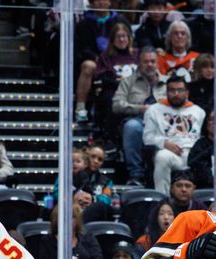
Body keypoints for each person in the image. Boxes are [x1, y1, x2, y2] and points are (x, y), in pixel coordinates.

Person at [113, 48, 166, 187]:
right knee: (132, 127)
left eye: (152, 61)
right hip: (138, 120)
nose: (149, 64)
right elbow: (117, 105)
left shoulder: (167, 83)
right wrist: (140, 108)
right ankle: (136, 175)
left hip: (163, 123)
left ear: (157, 63)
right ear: (139, 63)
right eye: (145, 61)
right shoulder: (128, 82)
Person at [144, 75, 205, 193]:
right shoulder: (154, 110)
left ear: (187, 92)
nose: (176, 93)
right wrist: (164, 143)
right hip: (170, 153)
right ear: (166, 92)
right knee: (162, 156)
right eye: (172, 90)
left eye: (180, 90)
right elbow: (147, 137)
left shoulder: (198, 111)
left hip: (193, 153)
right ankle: (163, 199)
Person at [73, 0, 128, 122]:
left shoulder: (120, 21)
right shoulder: (84, 23)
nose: (101, 3)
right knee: (88, 66)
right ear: (91, 3)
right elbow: (81, 48)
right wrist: (96, 58)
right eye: (97, 0)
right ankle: (81, 108)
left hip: (118, 60)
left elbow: (128, 42)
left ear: (110, 2)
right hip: (95, 61)